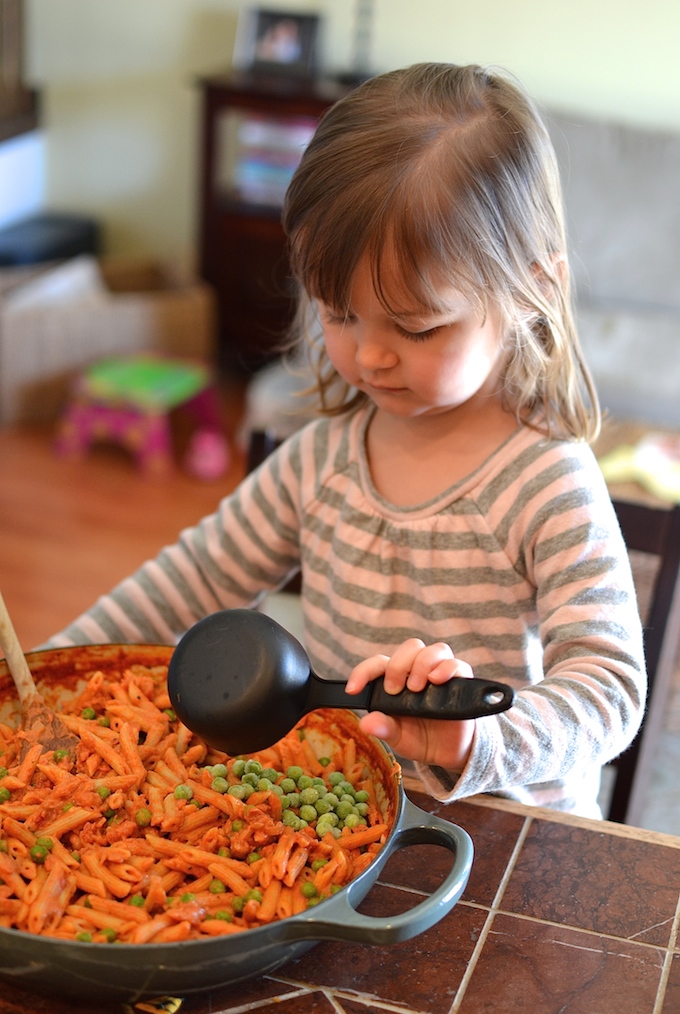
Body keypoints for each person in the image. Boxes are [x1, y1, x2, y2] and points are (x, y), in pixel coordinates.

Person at [45, 63, 645, 820]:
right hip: (350, 815)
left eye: (418, 326)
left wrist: (478, 743)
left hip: (515, 834)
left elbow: (610, 690)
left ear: (532, 292)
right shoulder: (319, 461)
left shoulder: (547, 483)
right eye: (339, 313)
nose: (370, 356)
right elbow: (191, 582)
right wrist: (46, 673)